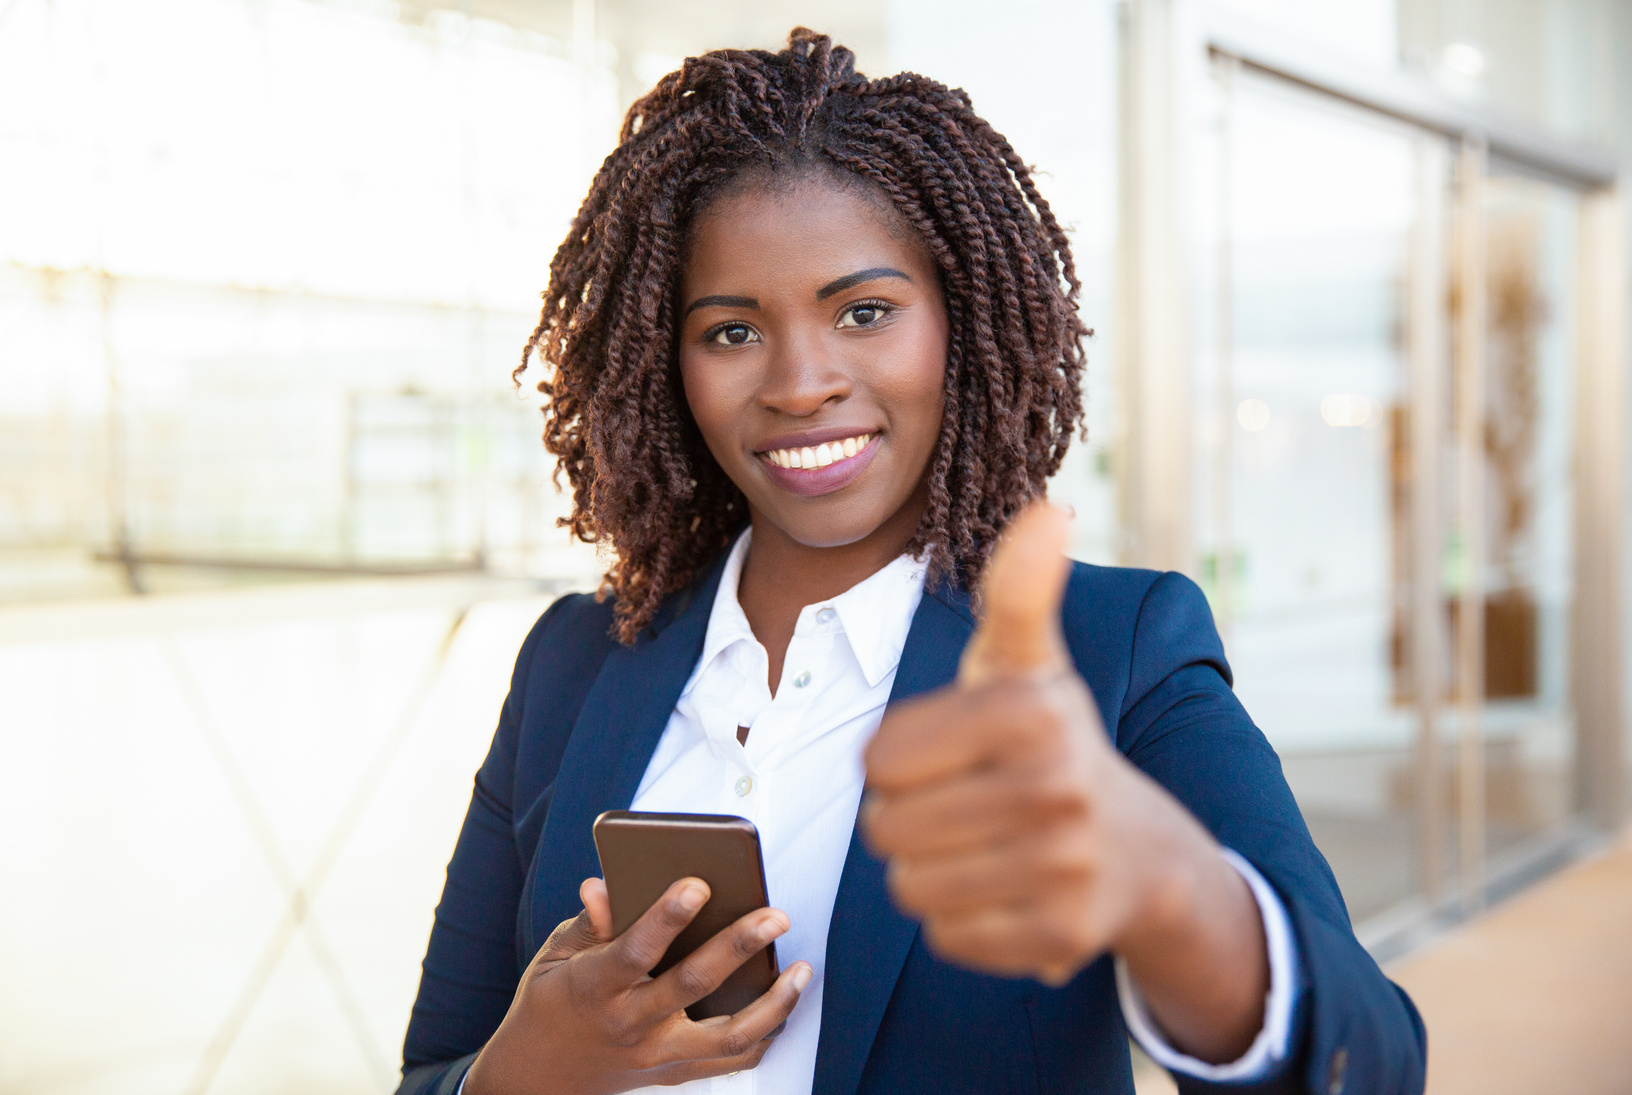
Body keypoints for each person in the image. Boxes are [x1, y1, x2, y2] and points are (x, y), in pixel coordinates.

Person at [397, 29, 1425, 1095]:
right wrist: (520, 1069)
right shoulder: (572, 661)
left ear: (959, 323)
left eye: (865, 312)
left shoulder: (1113, 650)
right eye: (732, 331)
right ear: (668, 362)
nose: (801, 383)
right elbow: (432, 1068)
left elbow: (1370, 1065)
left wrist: (1166, 887)